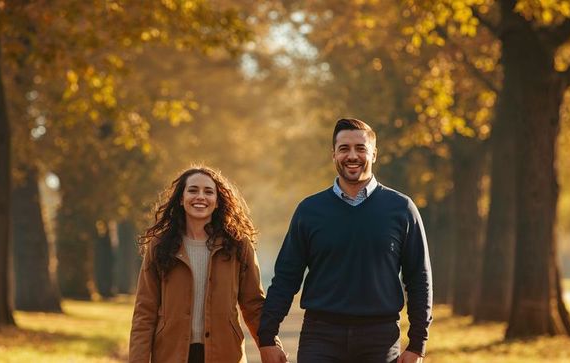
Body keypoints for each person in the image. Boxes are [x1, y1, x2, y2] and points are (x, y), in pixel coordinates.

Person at [258, 118, 432, 363]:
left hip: (379, 339)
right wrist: (267, 336)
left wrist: (417, 345)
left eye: (360, 148)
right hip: (320, 337)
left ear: (374, 154)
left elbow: (419, 279)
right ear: (334, 155)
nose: (352, 155)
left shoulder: (402, 209)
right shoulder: (309, 210)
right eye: (344, 149)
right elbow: (287, 277)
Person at [129, 166, 281, 363]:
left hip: (225, 355)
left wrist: (270, 345)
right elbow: (145, 311)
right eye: (193, 190)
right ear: (181, 199)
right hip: (170, 355)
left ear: (217, 202)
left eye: (208, 192)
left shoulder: (238, 245)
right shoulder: (160, 245)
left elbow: (253, 305)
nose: (200, 196)